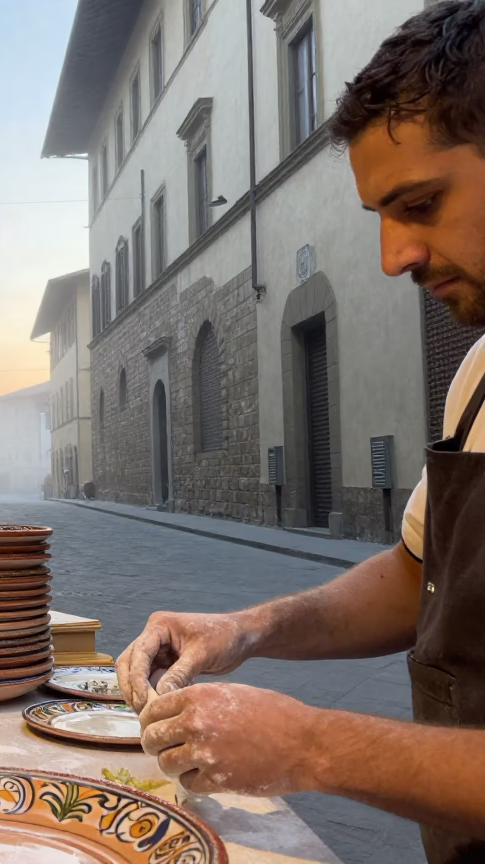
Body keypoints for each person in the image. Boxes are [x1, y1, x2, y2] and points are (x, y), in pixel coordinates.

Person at [117, 6, 485, 860]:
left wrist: (309, 746)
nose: (396, 255)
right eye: (380, 219)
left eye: (422, 204)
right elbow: (418, 576)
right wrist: (245, 629)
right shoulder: (475, 378)